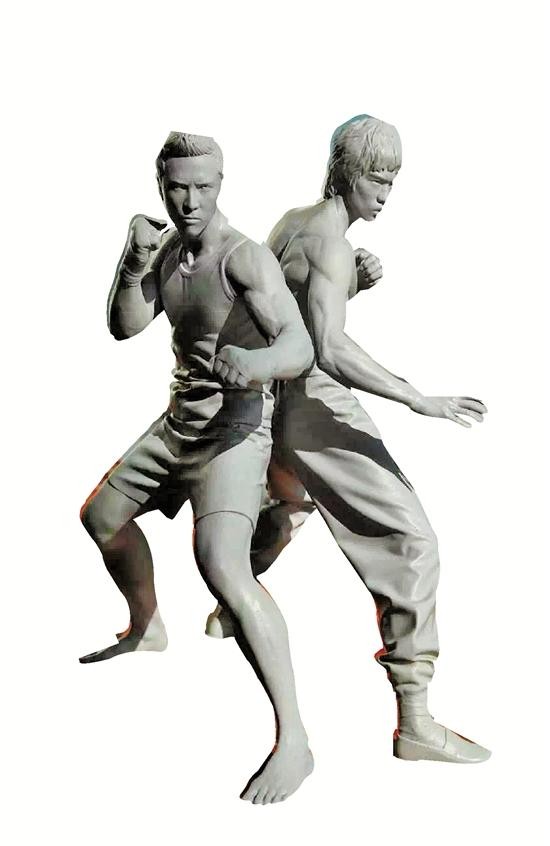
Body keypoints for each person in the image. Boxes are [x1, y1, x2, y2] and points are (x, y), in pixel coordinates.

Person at [206, 115, 491, 764]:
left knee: (292, 502)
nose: (386, 193)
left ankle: (231, 606)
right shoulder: (330, 245)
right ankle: (415, 722)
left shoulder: (294, 222)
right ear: (345, 173)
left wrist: (351, 282)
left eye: (393, 180)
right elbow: (329, 347)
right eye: (376, 179)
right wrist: (418, 397)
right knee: (412, 543)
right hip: (310, 402)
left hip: (271, 399)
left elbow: (288, 311)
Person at [80, 132, 315, 803]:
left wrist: (259, 362)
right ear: (161, 185)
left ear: (221, 184)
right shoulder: (169, 251)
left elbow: (297, 344)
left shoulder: (244, 258)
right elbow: (125, 325)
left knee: (222, 569)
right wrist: (132, 262)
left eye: (203, 187)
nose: (189, 201)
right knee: (101, 517)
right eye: (178, 187)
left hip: (236, 432)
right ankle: (147, 626)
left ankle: (295, 741)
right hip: (180, 424)